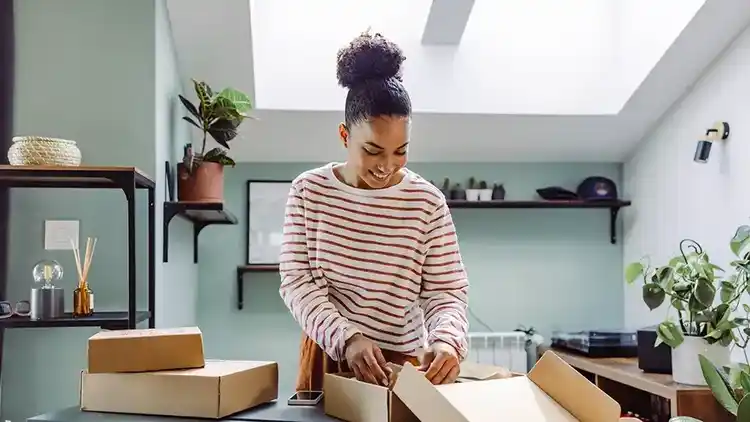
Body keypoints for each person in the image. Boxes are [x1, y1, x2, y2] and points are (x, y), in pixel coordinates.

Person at [279, 31, 469, 391]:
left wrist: (447, 340)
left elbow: (446, 292)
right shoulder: (309, 191)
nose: (387, 165)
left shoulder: (426, 202)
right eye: (372, 149)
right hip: (329, 354)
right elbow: (296, 282)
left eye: (400, 151)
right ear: (344, 135)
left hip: (402, 362)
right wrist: (348, 339)